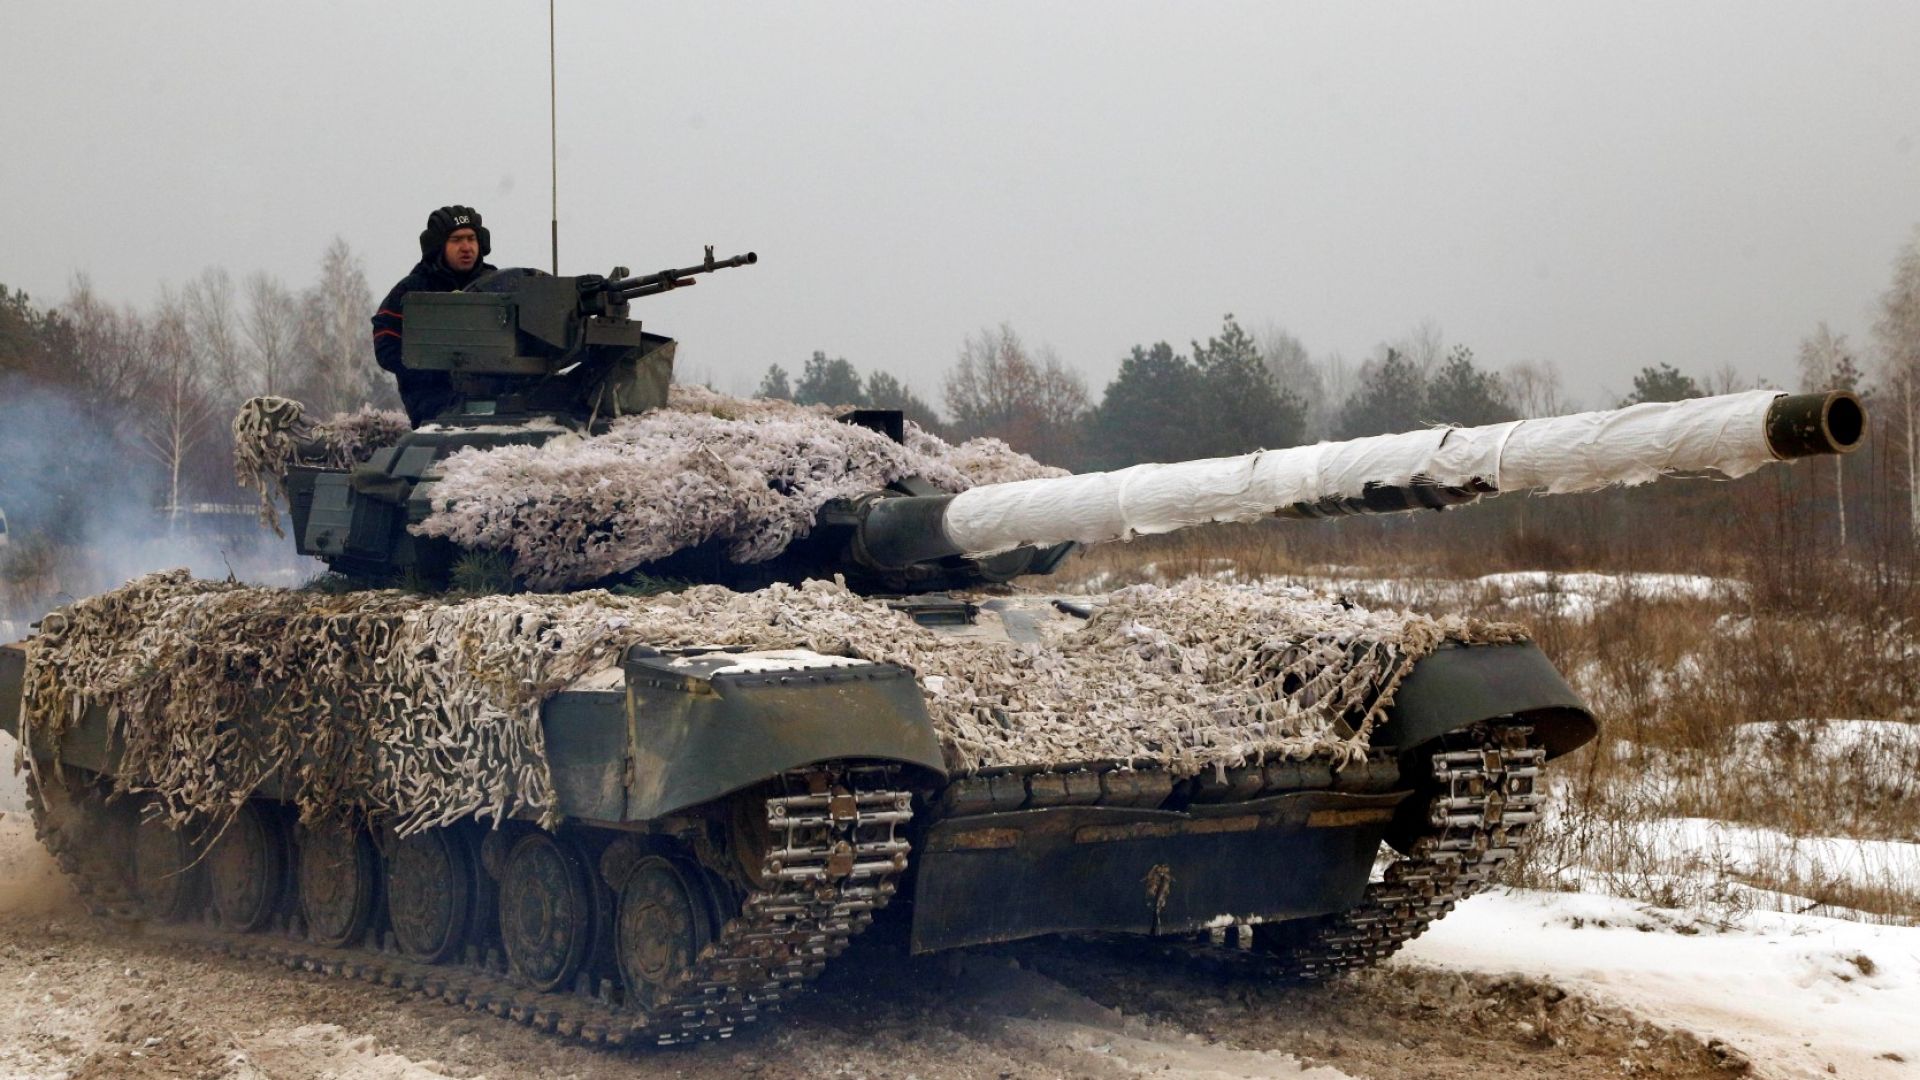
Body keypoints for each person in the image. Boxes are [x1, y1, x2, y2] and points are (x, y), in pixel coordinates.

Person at [372, 205, 497, 425]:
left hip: (498, 400)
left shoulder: (497, 285)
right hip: (434, 406)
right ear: (439, 246)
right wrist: (427, 371)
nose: (466, 247)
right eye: (456, 240)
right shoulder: (413, 290)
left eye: (471, 238)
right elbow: (386, 340)